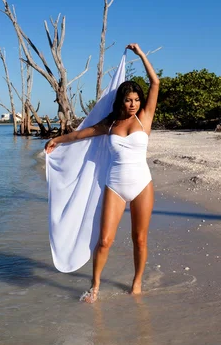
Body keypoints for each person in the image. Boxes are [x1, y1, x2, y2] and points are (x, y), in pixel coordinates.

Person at [45, 43, 160, 303]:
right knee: (105, 240)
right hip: (115, 185)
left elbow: (155, 83)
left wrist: (141, 54)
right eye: (128, 100)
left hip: (142, 183)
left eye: (136, 100)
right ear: (121, 100)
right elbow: (79, 134)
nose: (133, 104)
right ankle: (95, 287)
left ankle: (137, 282)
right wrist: (57, 140)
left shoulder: (145, 117)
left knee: (139, 239)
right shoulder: (110, 124)